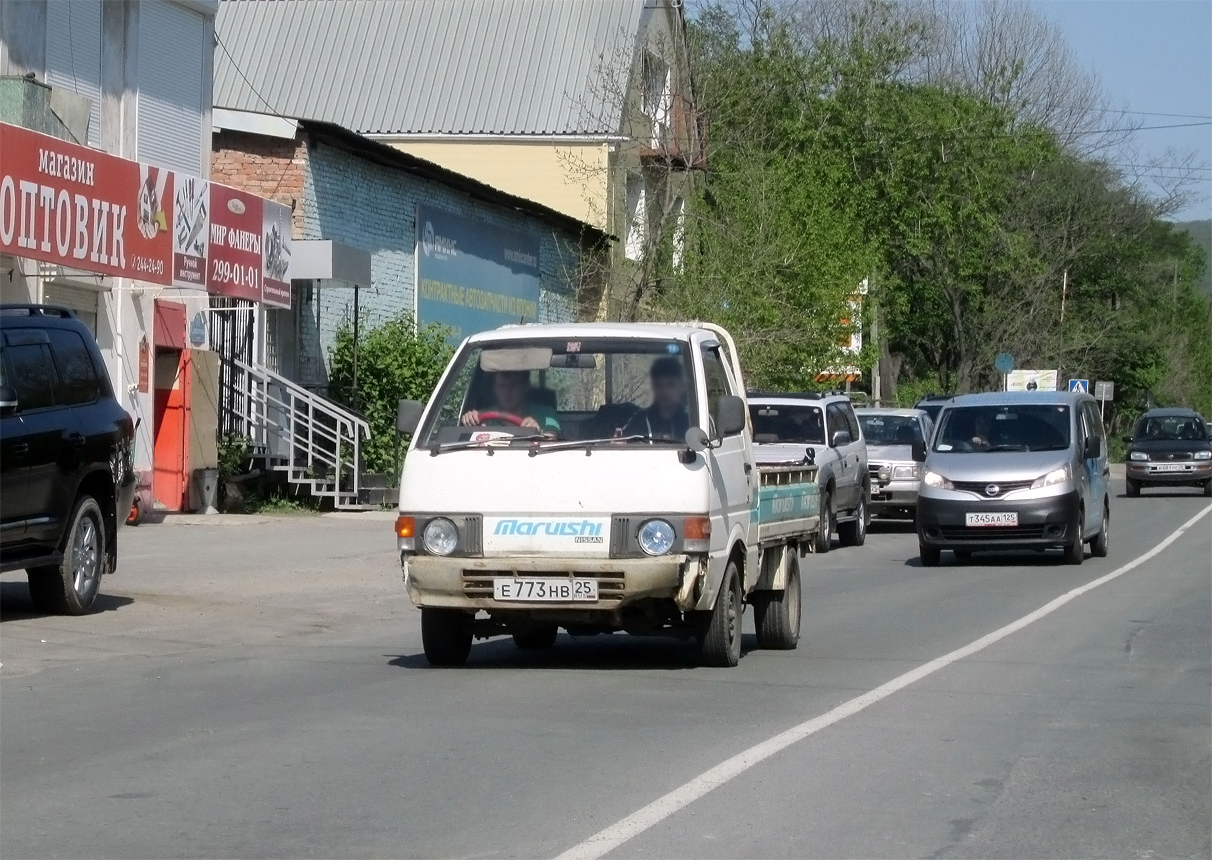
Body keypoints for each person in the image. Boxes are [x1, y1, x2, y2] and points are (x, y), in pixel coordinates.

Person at [460, 371, 561, 435]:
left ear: (525, 388)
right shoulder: (483, 416)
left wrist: (538, 433)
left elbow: (551, 440)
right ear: (495, 389)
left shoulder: (546, 413)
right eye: (502, 386)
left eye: (513, 386)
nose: (507, 393)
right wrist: (469, 419)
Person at [623, 357, 690, 440]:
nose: (665, 391)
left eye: (671, 385)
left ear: (682, 387)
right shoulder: (641, 420)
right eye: (659, 385)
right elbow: (624, 442)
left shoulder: (691, 422)